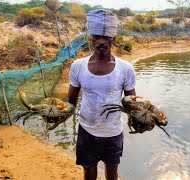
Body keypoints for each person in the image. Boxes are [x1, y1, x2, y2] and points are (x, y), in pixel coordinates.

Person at [67, 9, 136, 180]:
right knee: (88, 172)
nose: (102, 41)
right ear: (91, 38)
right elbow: (70, 101)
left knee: (112, 173)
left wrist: (139, 117)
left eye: (107, 38)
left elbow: (132, 102)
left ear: (113, 39)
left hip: (112, 132)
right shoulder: (78, 66)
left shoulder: (125, 68)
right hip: (86, 130)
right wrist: (58, 113)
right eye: (97, 36)